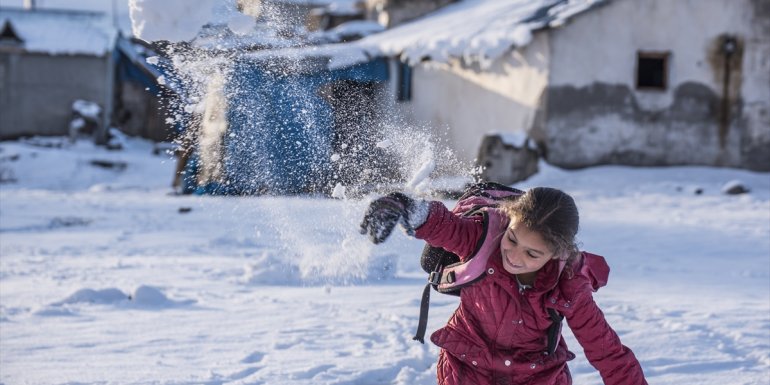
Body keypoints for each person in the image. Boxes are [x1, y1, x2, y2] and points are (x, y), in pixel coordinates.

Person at [359, 187, 647, 385]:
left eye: (532, 254)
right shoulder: (482, 241)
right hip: (468, 365)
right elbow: (444, 225)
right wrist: (403, 204)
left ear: (558, 254)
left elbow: (607, 352)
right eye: (512, 239)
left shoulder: (568, 287)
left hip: (536, 376)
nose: (514, 256)